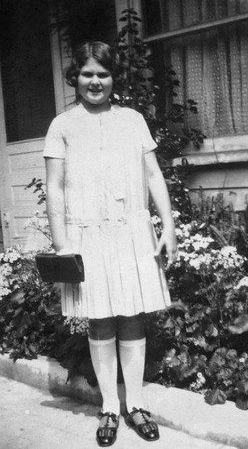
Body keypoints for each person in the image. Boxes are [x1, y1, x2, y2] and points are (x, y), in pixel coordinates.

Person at [43, 41, 177, 447]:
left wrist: (167, 226)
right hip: (86, 234)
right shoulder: (62, 125)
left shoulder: (133, 120)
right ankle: (109, 408)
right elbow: (54, 187)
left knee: (132, 314)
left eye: (103, 73)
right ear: (75, 77)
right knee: (100, 318)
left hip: (130, 230)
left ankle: (135, 403)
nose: (95, 81)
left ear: (113, 77)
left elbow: (153, 175)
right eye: (87, 74)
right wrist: (63, 243)